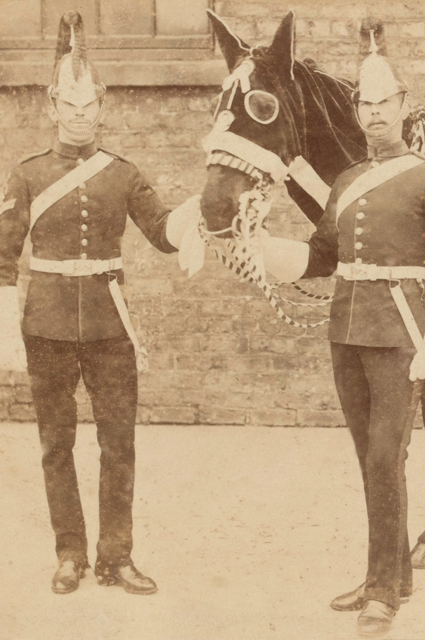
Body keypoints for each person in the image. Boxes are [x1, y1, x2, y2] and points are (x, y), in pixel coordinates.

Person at [254, 18, 425, 638]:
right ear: (355, 110)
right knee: (370, 460)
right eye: (365, 103)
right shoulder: (348, 181)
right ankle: (390, 575)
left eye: (385, 102)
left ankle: (385, 590)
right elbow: (322, 255)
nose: (374, 113)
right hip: (346, 332)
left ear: (404, 106)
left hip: (402, 334)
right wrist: (261, 248)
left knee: (386, 457)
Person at [0, 11, 199, 595]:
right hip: (48, 327)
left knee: (119, 445)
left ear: (102, 109)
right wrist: (6, 325)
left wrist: (203, 210)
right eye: (71, 106)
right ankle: (69, 554)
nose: (81, 117)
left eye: (90, 108)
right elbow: (1, 254)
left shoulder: (124, 174)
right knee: (55, 445)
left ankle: (116, 557)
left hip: (111, 327)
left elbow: (163, 234)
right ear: (53, 107)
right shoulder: (28, 175)